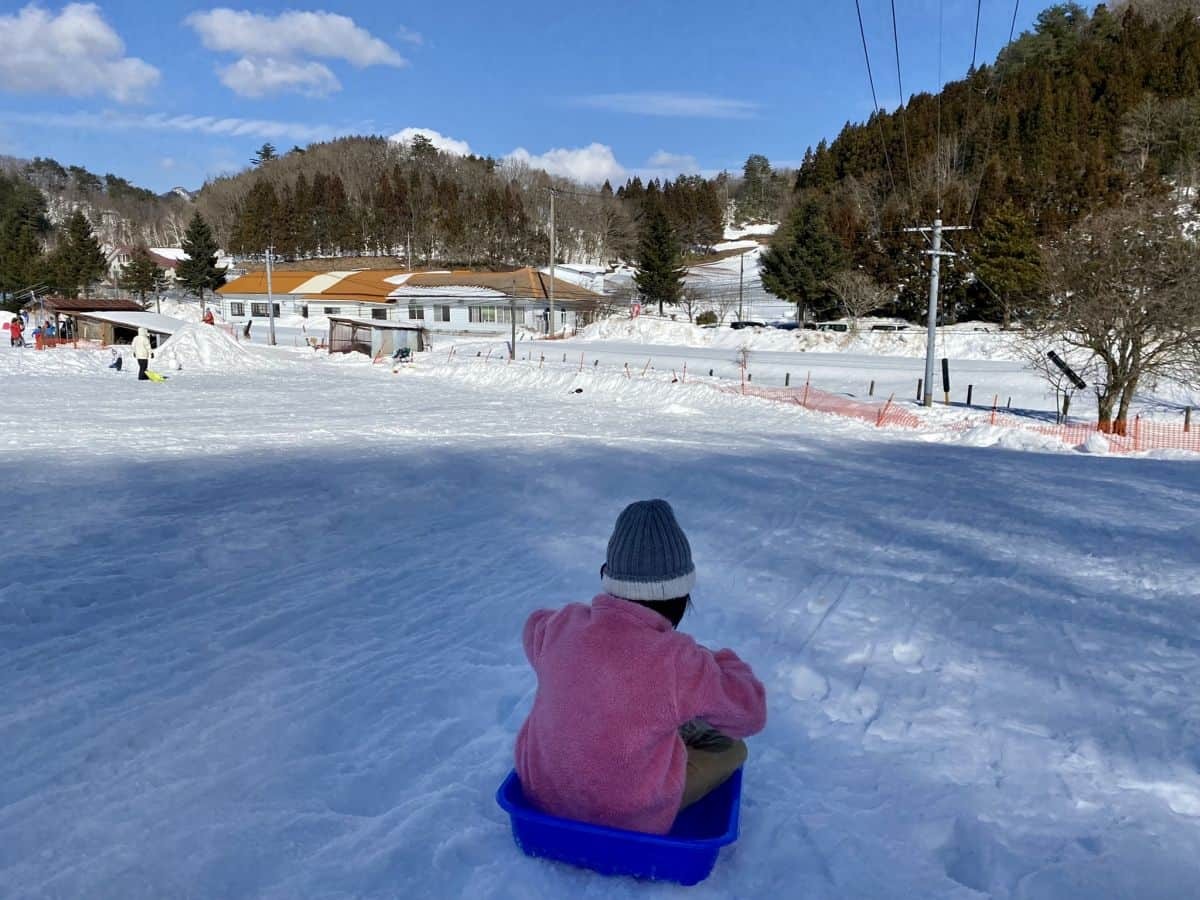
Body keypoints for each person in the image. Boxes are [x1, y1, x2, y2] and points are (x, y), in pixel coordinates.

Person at [515, 499, 766, 835]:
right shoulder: (680, 661)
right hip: (631, 818)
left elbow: (535, 623)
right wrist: (716, 659)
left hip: (541, 795)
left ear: (608, 577)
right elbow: (749, 713)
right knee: (731, 747)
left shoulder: (561, 626)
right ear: (681, 595)